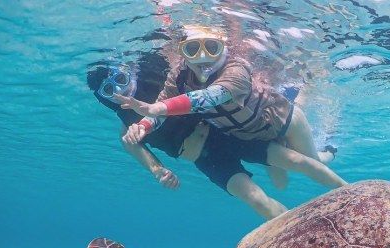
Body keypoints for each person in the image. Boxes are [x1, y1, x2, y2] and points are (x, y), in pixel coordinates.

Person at [88, 53, 346, 219]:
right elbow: (151, 164)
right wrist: (160, 173)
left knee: (298, 161)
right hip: (208, 160)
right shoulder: (127, 131)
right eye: (110, 90)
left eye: (121, 79)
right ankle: (299, 236)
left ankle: (351, 193)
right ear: (104, 99)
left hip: (228, 135)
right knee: (256, 199)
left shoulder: (161, 83)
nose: (121, 89)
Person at [116, 25, 334, 178]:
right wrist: (143, 125)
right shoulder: (180, 74)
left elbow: (210, 96)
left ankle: (329, 149)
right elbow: (163, 106)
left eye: (211, 47)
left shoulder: (236, 68)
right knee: (285, 164)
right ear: (183, 53)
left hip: (278, 121)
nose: (203, 57)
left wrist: (157, 108)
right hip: (252, 133)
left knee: (315, 161)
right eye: (192, 49)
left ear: (223, 48)